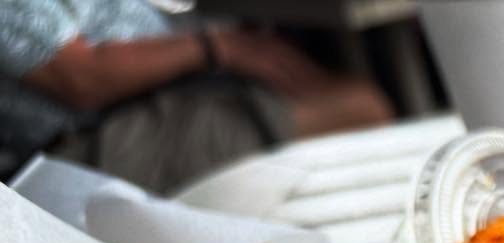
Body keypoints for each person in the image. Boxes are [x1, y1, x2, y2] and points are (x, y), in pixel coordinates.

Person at [1, 0, 394, 191]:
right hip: (100, 140)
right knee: (360, 104)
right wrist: (217, 46)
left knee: (324, 79)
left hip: (166, 96)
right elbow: (82, 79)